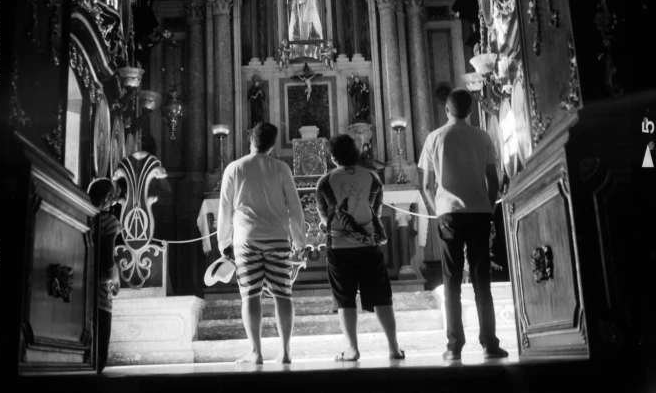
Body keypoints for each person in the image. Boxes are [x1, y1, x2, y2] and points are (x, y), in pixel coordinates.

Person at [417, 88, 509, 363]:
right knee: (483, 281)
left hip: (449, 215)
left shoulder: (434, 137)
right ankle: (490, 344)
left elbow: (425, 185)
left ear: (446, 109)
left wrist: (439, 212)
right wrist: (489, 207)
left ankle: (454, 345)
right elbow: (494, 179)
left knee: (451, 280)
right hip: (480, 212)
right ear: (470, 110)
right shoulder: (482, 136)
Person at [217, 122, 307, 364]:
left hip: (246, 241)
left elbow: (224, 210)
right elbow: (295, 207)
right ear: (273, 144)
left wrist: (223, 242)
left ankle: (256, 352)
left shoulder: (234, 168)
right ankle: (285, 352)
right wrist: (299, 240)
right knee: (283, 294)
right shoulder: (281, 168)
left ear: (251, 140)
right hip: (278, 238)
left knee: (250, 295)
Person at [316, 134, 405, 362]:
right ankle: (394, 348)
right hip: (369, 246)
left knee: (344, 299)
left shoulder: (325, 182)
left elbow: (325, 217)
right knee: (382, 297)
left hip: (339, 247)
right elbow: (375, 212)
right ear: (355, 153)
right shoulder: (373, 178)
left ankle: (352, 349)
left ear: (333, 157)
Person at [88, 177, 123, 373]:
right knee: (102, 341)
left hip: (83, 285)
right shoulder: (109, 220)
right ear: (108, 197)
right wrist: (114, 279)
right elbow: (109, 258)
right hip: (101, 286)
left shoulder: (84, 214)